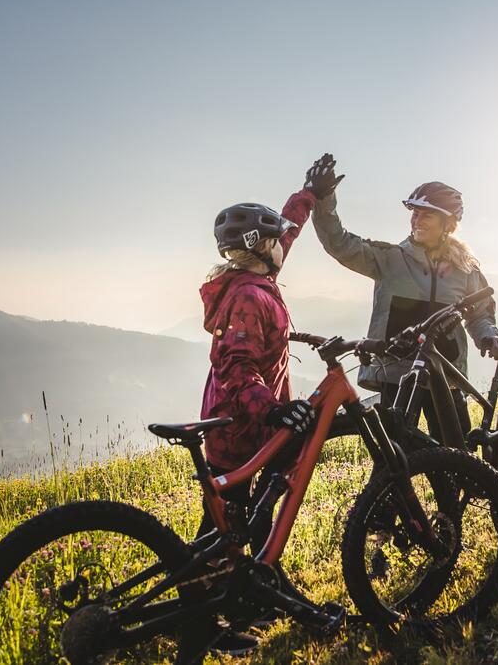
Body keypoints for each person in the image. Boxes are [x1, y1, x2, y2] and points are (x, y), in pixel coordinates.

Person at [196, 154, 340, 653]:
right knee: (222, 529)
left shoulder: (257, 279)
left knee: (258, 504)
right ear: (260, 248)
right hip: (239, 427)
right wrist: (274, 410)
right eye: (276, 238)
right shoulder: (250, 297)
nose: (286, 242)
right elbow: (235, 368)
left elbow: (287, 235)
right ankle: (205, 621)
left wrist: (308, 196)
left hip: (253, 421)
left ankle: (255, 582)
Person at [310, 163, 498, 446]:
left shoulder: (465, 269)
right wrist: (323, 199)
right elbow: (339, 243)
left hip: (444, 372)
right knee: (395, 455)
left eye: (427, 215)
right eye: (415, 214)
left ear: (447, 225)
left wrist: (489, 335)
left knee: (458, 454)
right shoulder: (390, 258)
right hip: (396, 373)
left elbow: (479, 315)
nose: (417, 220)